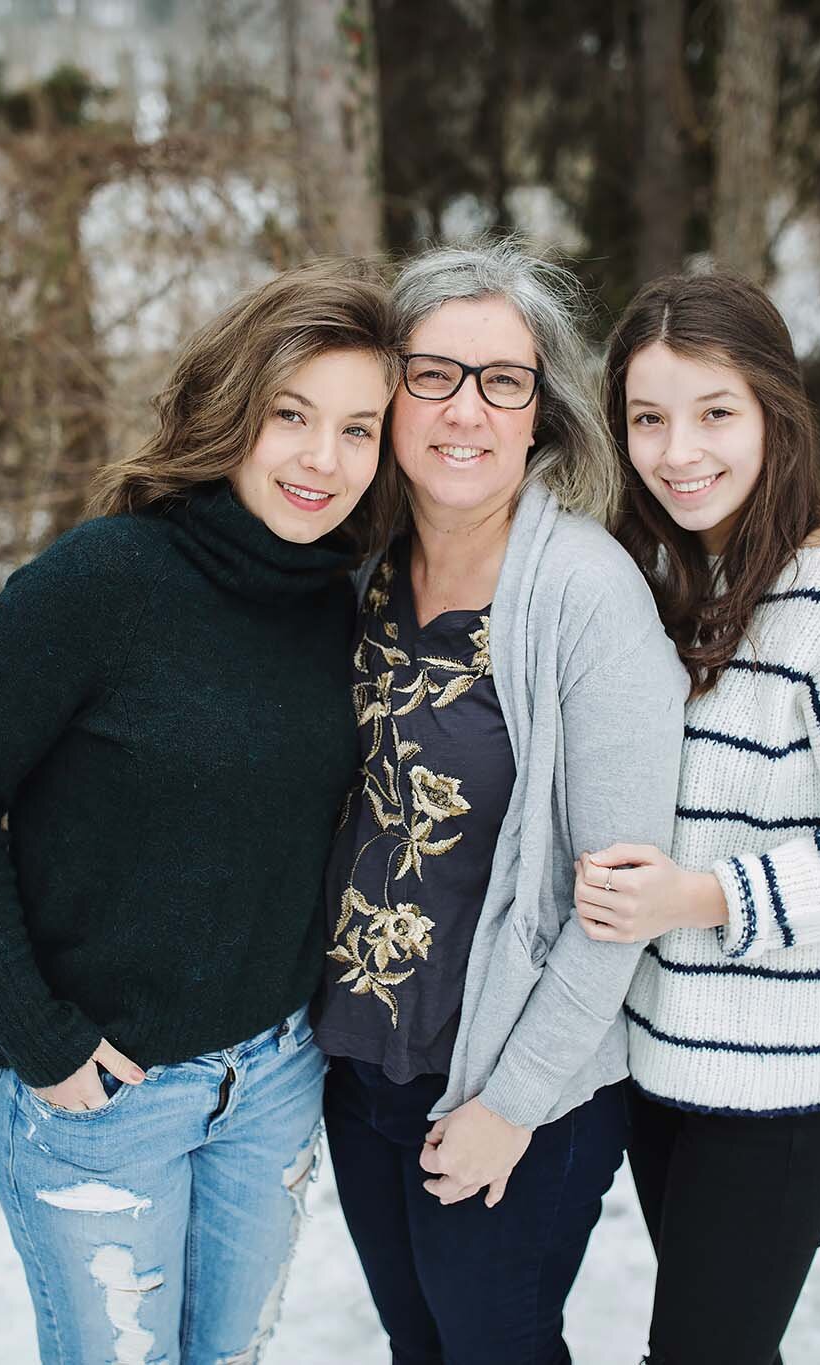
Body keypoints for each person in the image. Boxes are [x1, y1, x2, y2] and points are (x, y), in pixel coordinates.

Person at [0, 261, 403, 1365]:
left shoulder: (341, 603)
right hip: (107, 1098)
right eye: (292, 415)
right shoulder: (100, 583)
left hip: (273, 1082)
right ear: (233, 408)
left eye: (359, 429)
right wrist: (37, 1035)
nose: (324, 459)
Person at [311, 239, 687, 1365]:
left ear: (542, 415)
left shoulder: (585, 594)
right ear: (391, 395)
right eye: (432, 374)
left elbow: (615, 901)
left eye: (501, 380)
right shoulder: (357, 570)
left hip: (516, 1092)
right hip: (359, 1066)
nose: (464, 409)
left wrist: (510, 1105)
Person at [572, 270, 820, 1365]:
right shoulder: (678, 583)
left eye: (714, 412)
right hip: (668, 1061)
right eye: (647, 418)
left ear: (774, 415)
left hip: (787, 1076)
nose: (676, 450)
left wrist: (697, 896)